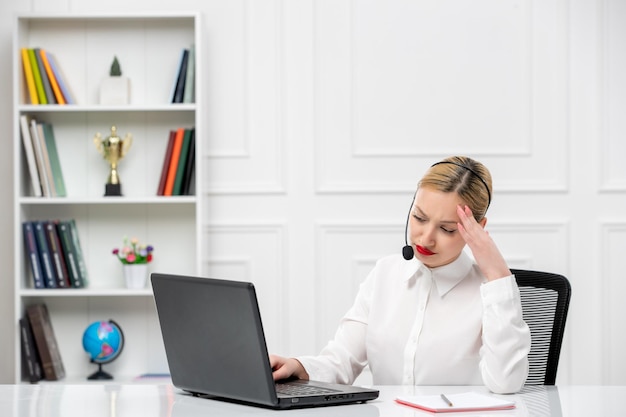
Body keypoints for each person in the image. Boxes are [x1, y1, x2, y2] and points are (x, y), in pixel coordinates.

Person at [270, 155, 531, 394]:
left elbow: (505, 383)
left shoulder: (490, 292)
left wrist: (498, 275)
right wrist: (298, 366)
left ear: (477, 228)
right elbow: (342, 361)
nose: (426, 238)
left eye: (447, 229)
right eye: (419, 217)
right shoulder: (385, 273)